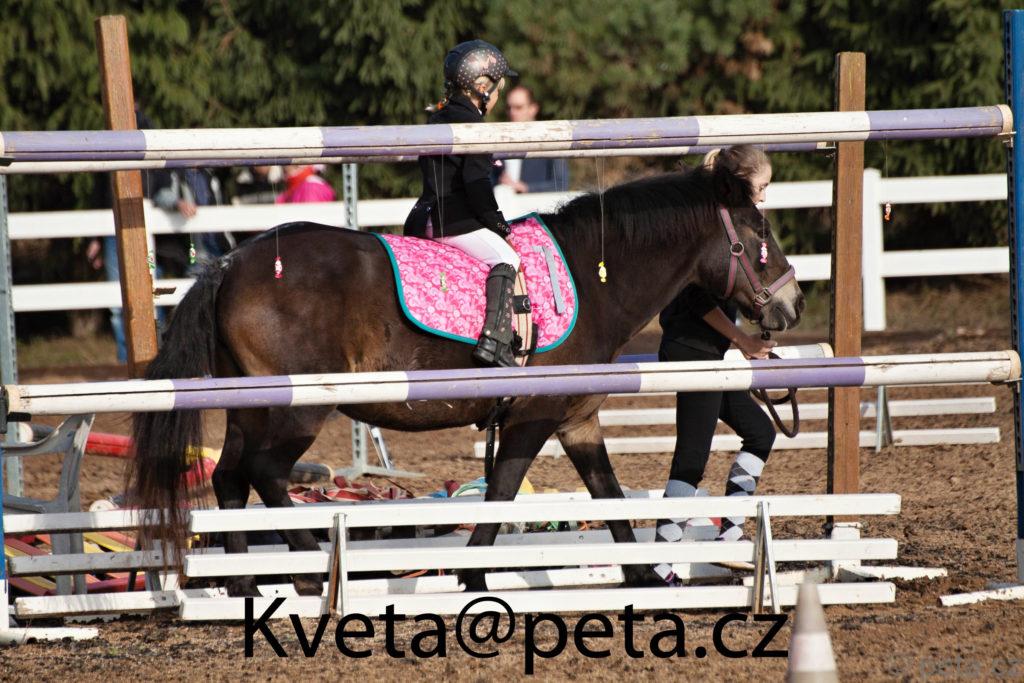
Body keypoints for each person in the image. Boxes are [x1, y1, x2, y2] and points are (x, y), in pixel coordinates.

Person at [653, 145, 777, 586]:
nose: (764, 196)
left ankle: (730, 532)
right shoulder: (707, 226)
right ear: (741, 183)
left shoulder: (728, 224)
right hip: (691, 349)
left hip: (708, 351)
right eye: (761, 186)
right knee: (692, 456)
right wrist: (744, 341)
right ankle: (661, 561)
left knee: (760, 432)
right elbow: (696, 303)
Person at [403, 39, 522, 368]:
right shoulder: (473, 126)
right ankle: (495, 341)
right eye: (497, 89)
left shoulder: (437, 117)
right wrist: (500, 226)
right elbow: (477, 186)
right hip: (452, 220)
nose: (497, 97)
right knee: (507, 257)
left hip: (422, 216)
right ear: (482, 88)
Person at [492, 85, 569, 194]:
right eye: (509, 108)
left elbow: (561, 184)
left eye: (518, 107)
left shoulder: (551, 139)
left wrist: (526, 188)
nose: (512, 112)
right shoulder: (498, 140)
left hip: (538, 204)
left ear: (533, 109)